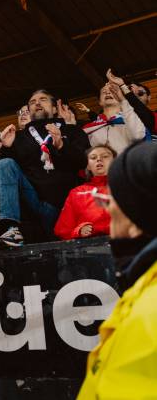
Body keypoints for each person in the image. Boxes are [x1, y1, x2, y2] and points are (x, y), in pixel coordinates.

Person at [77, 142, 157, 398]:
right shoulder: (143, 287)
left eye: (115, 200)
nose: (108, 207)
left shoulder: (151, 311)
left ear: (137, 217)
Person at [0, 89, 89, 246]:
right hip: (33, 201)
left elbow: (83, 162)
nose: (37, 103)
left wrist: (61, 145)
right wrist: (6, 148)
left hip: (65, 204)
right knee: (5, 163)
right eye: (32, 102)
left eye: (43, 99)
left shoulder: (72, 131)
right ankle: (12, 229)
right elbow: (5, 175)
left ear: (54, 108)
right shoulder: (19, 136)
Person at [53, 146, 115, 240]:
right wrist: (78, 231)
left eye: (105, 156)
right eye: (93, 157)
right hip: (91, 249)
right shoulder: (77, 193)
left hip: (125, 245)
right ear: (88, 166)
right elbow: (62, 230)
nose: (99, 159)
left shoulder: (128, 187)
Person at [81, 73, 147, 154]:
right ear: (100, 102)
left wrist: (123, 99)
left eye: (112, 91)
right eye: (104, 92)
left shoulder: (131, 119)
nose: (108, 93)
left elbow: (138, 136)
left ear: (120, 96)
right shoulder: (89, 128)